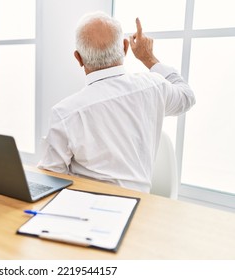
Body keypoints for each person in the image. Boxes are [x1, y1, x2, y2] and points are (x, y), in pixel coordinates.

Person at [37, 11, 195, 193]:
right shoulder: (154, 86)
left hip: (86, 212)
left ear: (78, 58)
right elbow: (187, 97)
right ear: (126, 48)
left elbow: (50, 180)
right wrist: (148, 57)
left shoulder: (65, 112)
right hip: (140, 208)